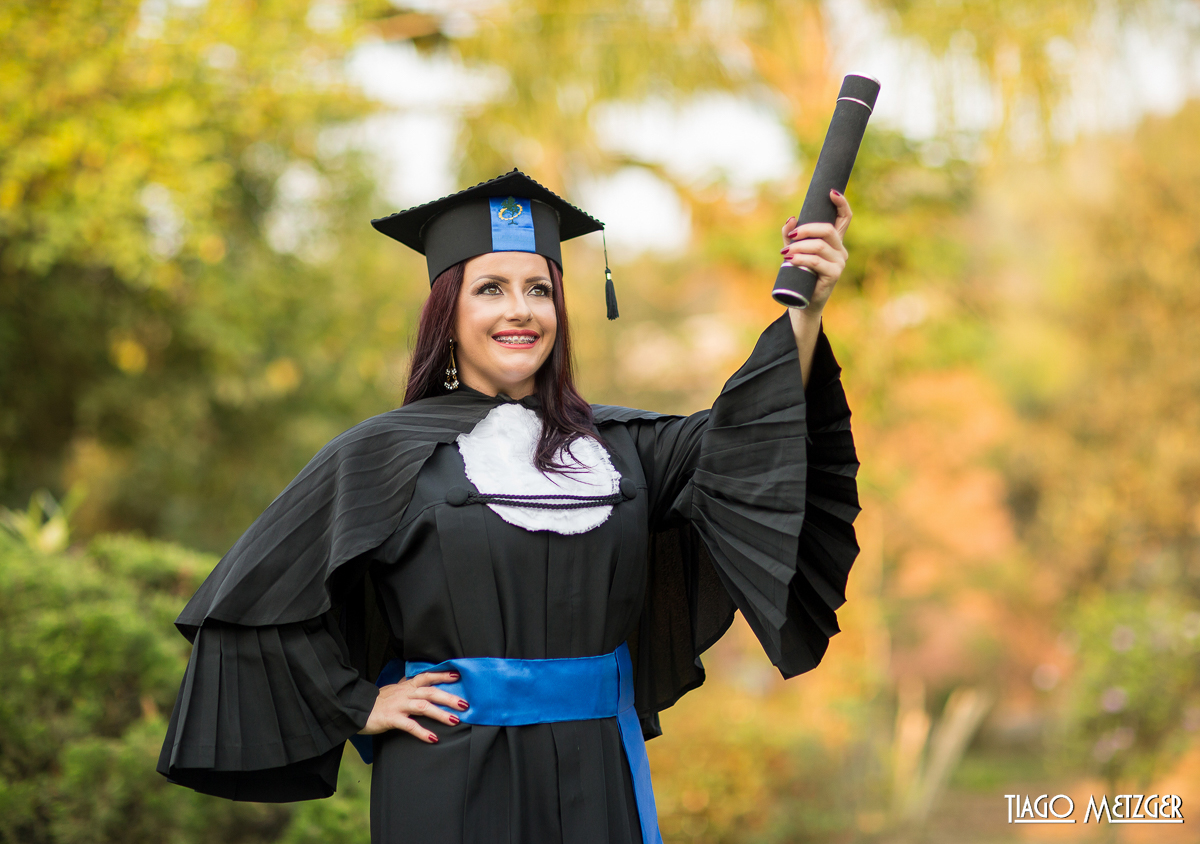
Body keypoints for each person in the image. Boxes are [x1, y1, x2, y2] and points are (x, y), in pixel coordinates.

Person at [157, 169, 860, 844]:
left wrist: (808, 306)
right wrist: (358, 702)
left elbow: (751, 436)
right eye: (490, 289)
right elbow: (252, 598)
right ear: (449, 314)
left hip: (598, 769)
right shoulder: (383, 453)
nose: (520, 310)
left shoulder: (623, 449)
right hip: (450, 773)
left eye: (538, 290)